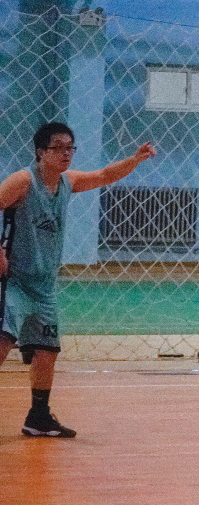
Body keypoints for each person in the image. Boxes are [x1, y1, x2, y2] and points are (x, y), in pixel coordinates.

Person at [0, 123, 157, 437]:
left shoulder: (67, 182)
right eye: (58, 147)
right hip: (13, 280)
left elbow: (104, 175)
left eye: (70, 147)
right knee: (2, 342)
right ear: (40, 152)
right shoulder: (23, 181)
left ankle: (38, 417)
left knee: (47, 350)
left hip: (44, 286)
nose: (66, 153)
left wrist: (135, 160)